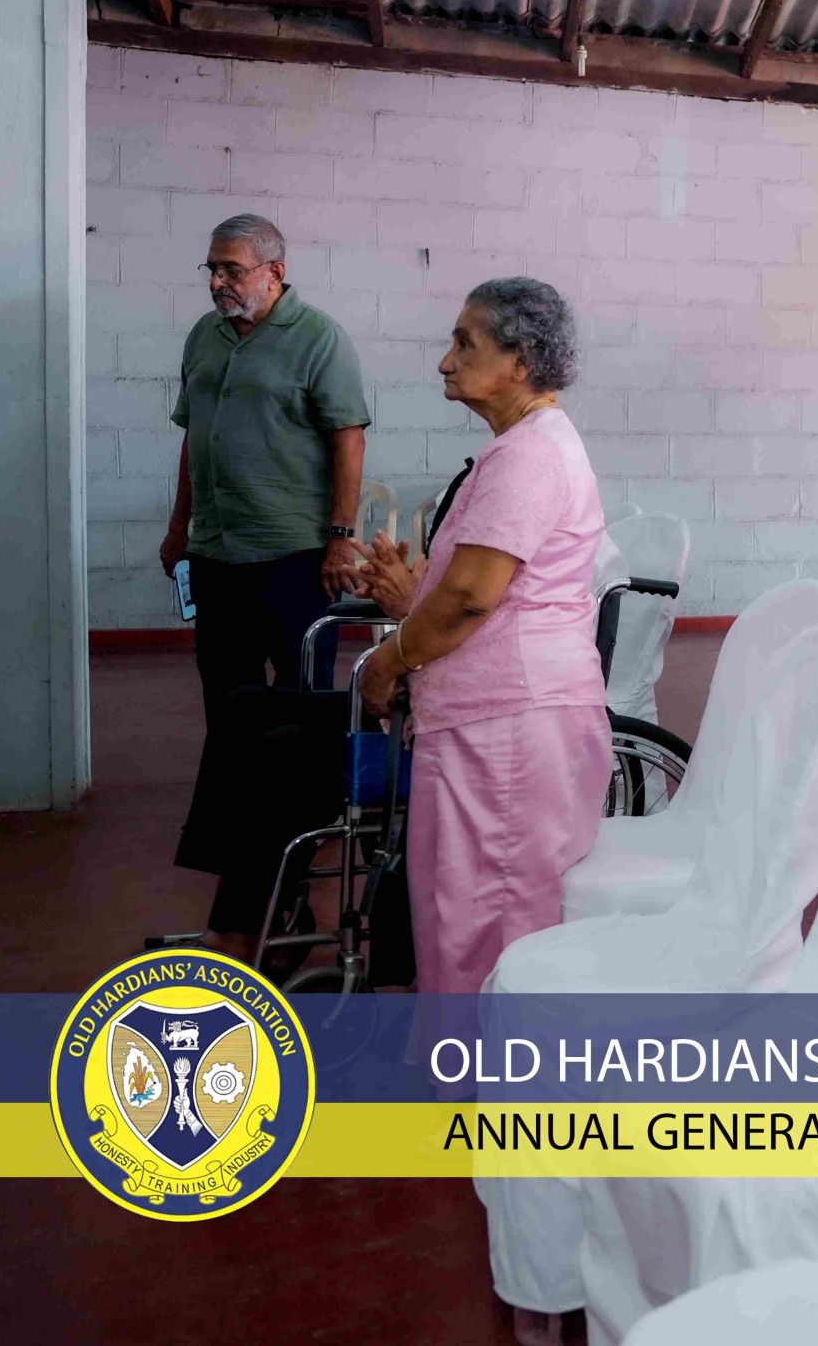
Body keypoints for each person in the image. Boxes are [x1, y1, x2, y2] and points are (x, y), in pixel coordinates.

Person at [354, 279, 611, 996]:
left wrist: (388, 660)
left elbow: (472, 595)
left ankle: (487, 1066)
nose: (446, 361)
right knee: (468, 917)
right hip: (500, 717)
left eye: (465, 344)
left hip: (508, 728)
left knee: (487, 926)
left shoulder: (530, 454)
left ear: (521, 361)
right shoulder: (523, 448)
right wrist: (413, 603)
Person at [165, 213, 372, 962]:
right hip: (217, 554)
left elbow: (348, 435)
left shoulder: (318, 339)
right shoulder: (205, 337)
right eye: (212, 268)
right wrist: (179, 525)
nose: (218, 281)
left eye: (232, 268)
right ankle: (256, 881)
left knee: (294, 726)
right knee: (229, 721)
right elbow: (194, 438)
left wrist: (342, 535)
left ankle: (285, 882)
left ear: (275, 271)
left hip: (293, 559)